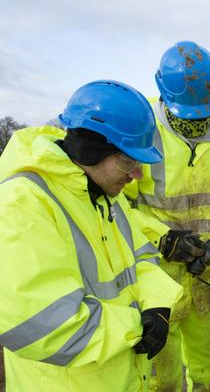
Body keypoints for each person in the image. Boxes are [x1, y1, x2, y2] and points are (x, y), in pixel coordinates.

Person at [0, 80, 183, 392]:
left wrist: (156, 305)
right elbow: (43, 325)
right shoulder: (22, 204)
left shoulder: (105, 196)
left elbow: (143, 256)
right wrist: (137, 326)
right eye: (129, 162)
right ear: (93, 149)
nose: (137, 175)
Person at [123, 41, 210, 392]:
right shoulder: (144, 133)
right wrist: (163, 237)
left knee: (208, 373)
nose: (195, 121)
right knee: (162, 378)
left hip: (203, 277)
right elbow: (119, 209)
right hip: (155, 281)